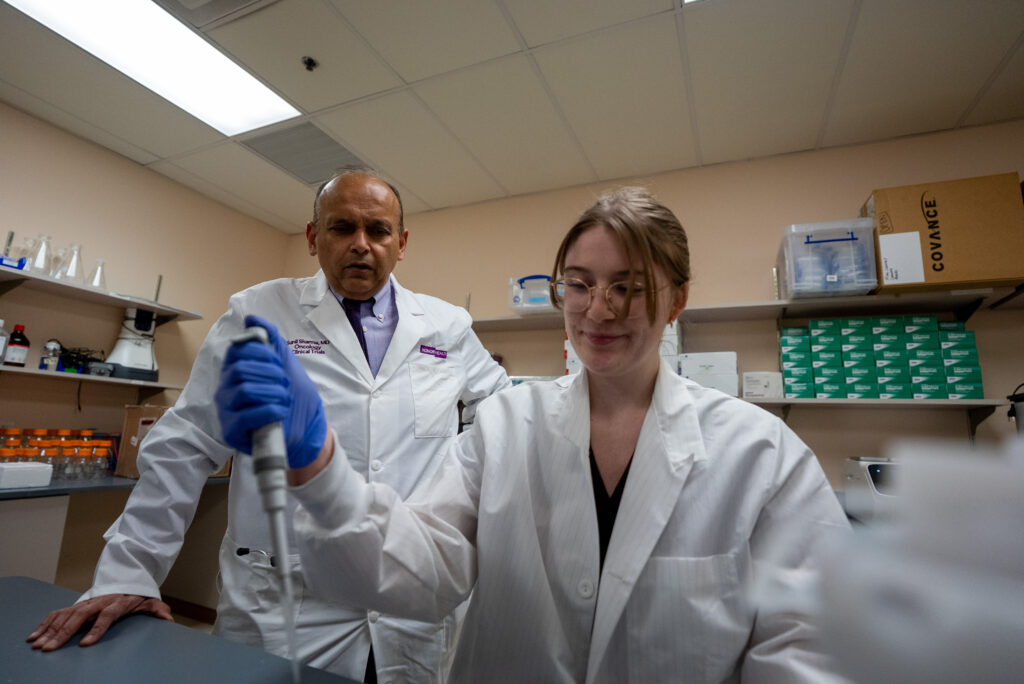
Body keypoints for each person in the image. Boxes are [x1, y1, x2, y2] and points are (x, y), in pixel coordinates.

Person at [217, 187, 852, 682]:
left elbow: (813, 645)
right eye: (578, 284)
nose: (597, 310)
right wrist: (320, 467)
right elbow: (422, 566)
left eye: (627, 287)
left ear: (678, 299)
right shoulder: (505, 427)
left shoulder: (762, 455)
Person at [28, 167, 510, 683]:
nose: (361, 245)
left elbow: (506, 418)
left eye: (378, 231)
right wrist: (130, 571)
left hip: (408, 605)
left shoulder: (446, 326)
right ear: (313, 236)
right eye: (342, 227)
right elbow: (186, 445)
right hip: (288, 599)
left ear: (402, 242)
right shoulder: (259, 311)